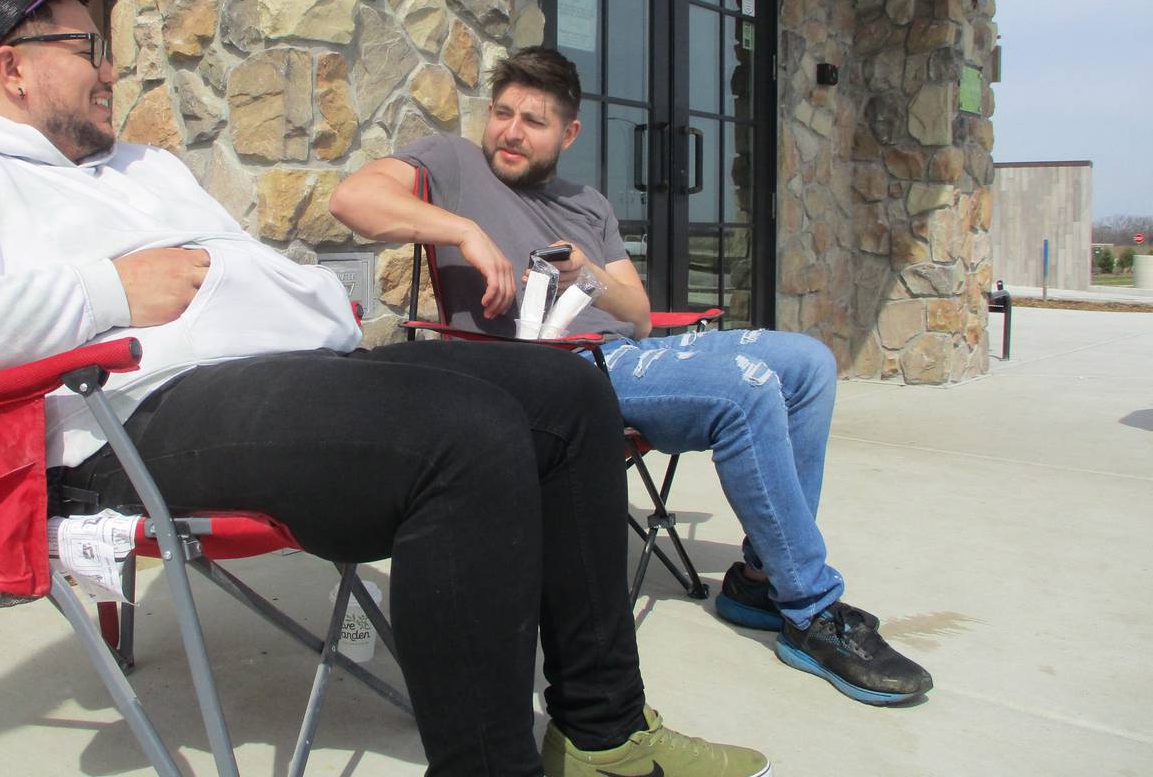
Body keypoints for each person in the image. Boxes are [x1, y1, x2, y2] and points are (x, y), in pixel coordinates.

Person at [0, 0, 771, 777]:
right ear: (13, 66)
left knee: (569, 392)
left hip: (286, 375)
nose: (112, 70)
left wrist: (319, 310)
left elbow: (259, 271)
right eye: (87, 49)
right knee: (467, 438)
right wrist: (106, 291)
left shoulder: (141, 168)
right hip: (135, 420)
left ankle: (604, 736)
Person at [330, 46, 934, 707]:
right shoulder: (452, 161)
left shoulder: (587, 205)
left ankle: (762, 579)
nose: (510, 130)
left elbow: (640, 315)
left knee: (810, 364)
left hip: (626, 357)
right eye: (503, 112)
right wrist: (466, 232)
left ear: (569, 133)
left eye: (533, 120)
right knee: (747, 387)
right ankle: (811, 610)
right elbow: (352, 198)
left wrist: (585, 272)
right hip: (548, 374)